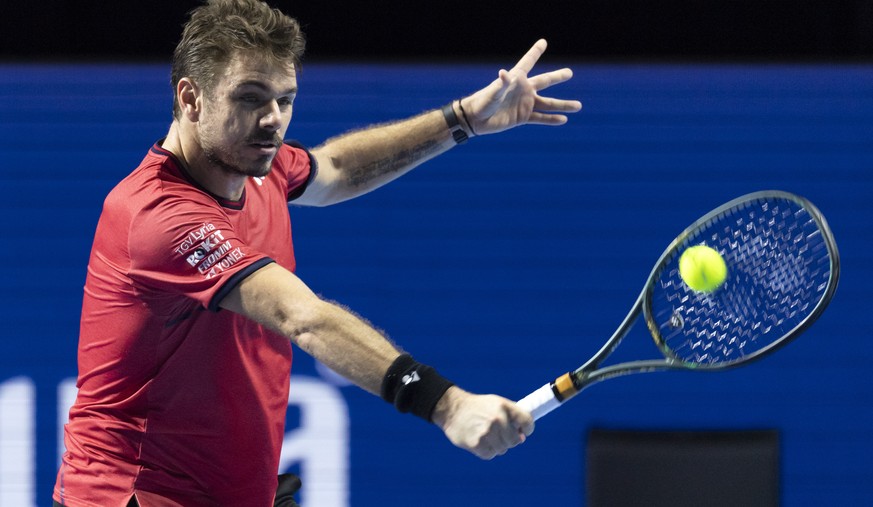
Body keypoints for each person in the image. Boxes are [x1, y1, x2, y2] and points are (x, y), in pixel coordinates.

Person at [52, 0, 582, 505]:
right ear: (191, 99)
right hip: (138, 495)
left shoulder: (257, 167)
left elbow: (336, 169)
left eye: (285, 100)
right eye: (250, 97)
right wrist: (447, 405)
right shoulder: (159, 216)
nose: (273, 119)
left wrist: (462, 117)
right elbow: (301, 317)